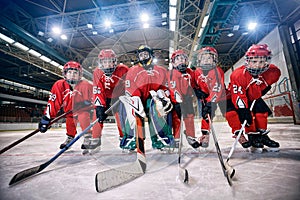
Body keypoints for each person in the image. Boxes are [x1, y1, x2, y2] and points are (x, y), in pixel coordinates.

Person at [225, 44, 280, 151]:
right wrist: (243, 110)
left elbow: (263, 87)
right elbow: (239, 96)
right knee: (237, 114)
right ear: (248, 61)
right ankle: (250, 135)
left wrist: (261, 90)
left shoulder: (273, 72)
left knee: (261, 111)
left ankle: (261, 135)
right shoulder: (238, 75)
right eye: (254, 61)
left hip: (252, 96)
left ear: (267, 61)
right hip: (234, 97)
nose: (257, 65)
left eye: (261, 62)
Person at [122, 45, 174, 150]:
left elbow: (166, 87)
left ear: (151, 55)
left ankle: (161, 138)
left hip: (154, 99)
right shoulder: (132, 71)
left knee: (158, 109)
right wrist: (136, 99)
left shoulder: (161, 70)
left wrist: (162, 94)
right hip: (138, 99)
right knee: (131, 110)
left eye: (146, 54)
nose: (143, 57)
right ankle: (132, 139)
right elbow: (129, 87)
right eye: (141, 55)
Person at [38, 61, 93, 149]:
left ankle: (88, 137)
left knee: (83, 117)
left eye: (75, 72)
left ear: (80, 75)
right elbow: (54, 102)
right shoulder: (59, 85)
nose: (72, 75)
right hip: (69, 112)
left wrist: (88, 103)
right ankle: (70, 137)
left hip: (82, 111)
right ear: (65, 74)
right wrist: (47, 117)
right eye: (69, 72)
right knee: (70, 121)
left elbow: (96, 97)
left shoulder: (86, 85)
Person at [89, 49, 129, 151]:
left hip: (119, 96)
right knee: (97, 116)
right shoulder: (97, 72)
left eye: (110, 61)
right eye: (105, 62)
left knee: (121, 116)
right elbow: (98, 89)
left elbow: (130, 85)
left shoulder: (123, 70)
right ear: (101, 63)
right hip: (105, 97)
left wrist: (126, 96)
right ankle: (96, 139)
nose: (108, 64)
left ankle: (124, 138)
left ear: (115, 61)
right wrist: (99, 106)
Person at [194, 47, 226, 148]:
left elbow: (217, 89)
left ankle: (243, 133)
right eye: (204, 58)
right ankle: (205, 135)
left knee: (230, 114)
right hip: (206, 97)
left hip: (220, 97)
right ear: (199, 60)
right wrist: (197, 91)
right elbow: (195, 85)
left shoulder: (217, 71)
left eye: (209, 58)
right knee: (206, 115)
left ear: (214, 60)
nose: (206, 60)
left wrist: (210, 102)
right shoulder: (197, 72)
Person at [167, 49, 200, 148]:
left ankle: (191, 136)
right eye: (178, 59)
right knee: (177, 119)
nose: (181, 61)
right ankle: (176, 138)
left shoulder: (190, 72)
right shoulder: (171, 74)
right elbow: (172, 88)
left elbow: (194, 85)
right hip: (175, 101)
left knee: (189, 117)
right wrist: (177, 102)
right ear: (173, 62)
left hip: (187, 99)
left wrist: (197, 91)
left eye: (183, 58)